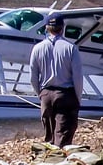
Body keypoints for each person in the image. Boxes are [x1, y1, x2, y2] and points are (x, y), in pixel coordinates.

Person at [29, 16, 83, 147]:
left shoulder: (37, 48)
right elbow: (78, 77)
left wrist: (41, 95)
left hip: (46, 95)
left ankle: (49, 162)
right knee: (63, 137)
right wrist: (78, 98)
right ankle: (59, 163)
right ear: (62, 28)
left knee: (49, 137)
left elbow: (33, 77)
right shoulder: (71, 48)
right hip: (66, 95)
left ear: (47, 28)